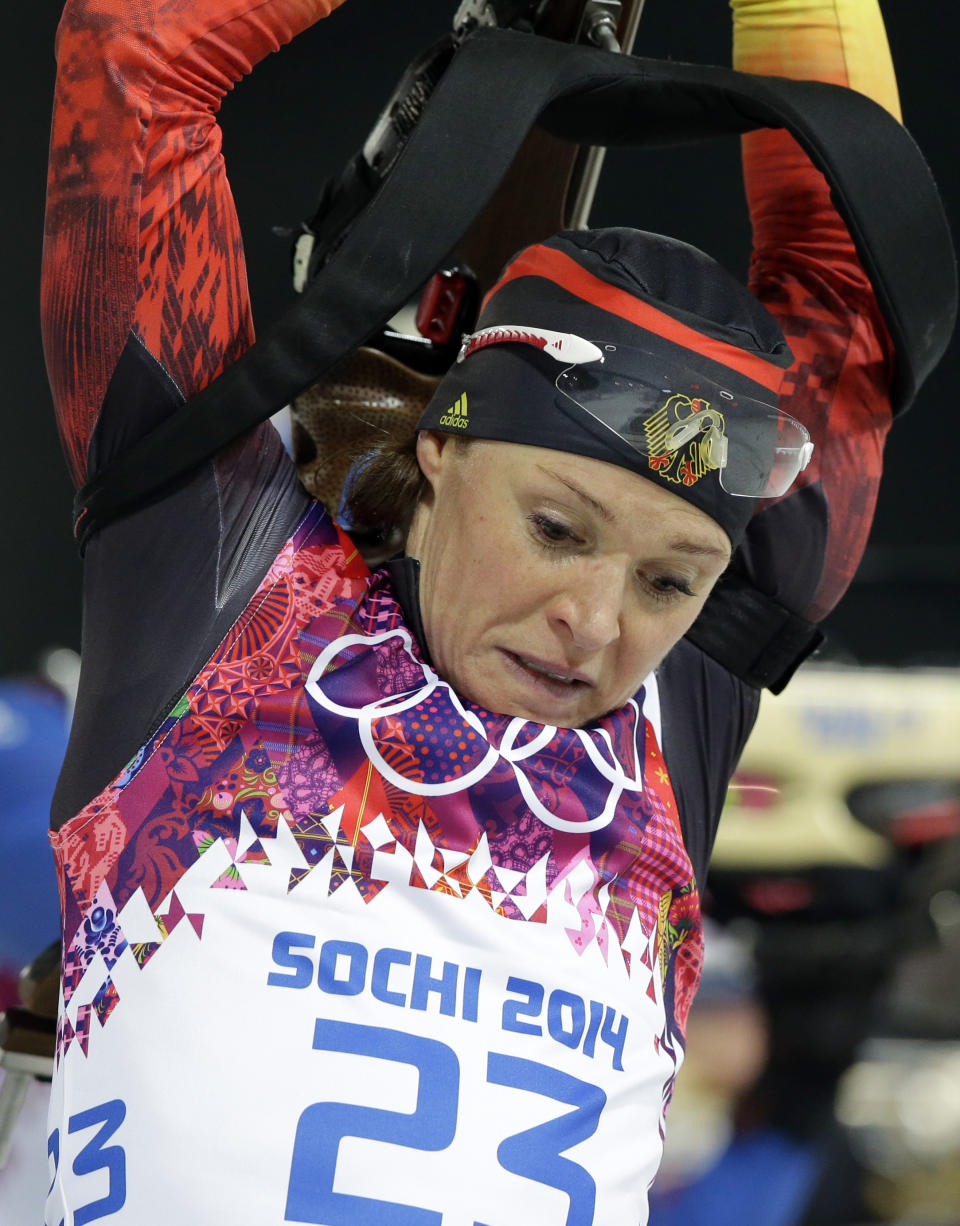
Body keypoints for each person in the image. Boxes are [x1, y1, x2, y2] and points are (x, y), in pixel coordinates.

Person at [40, 0, 907, 1222]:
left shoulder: (685, 684)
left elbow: (860, 266)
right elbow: (137, 53)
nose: (599, 624)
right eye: (555, 528)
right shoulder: (214, 572)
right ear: (443, 444)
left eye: (670, 581)